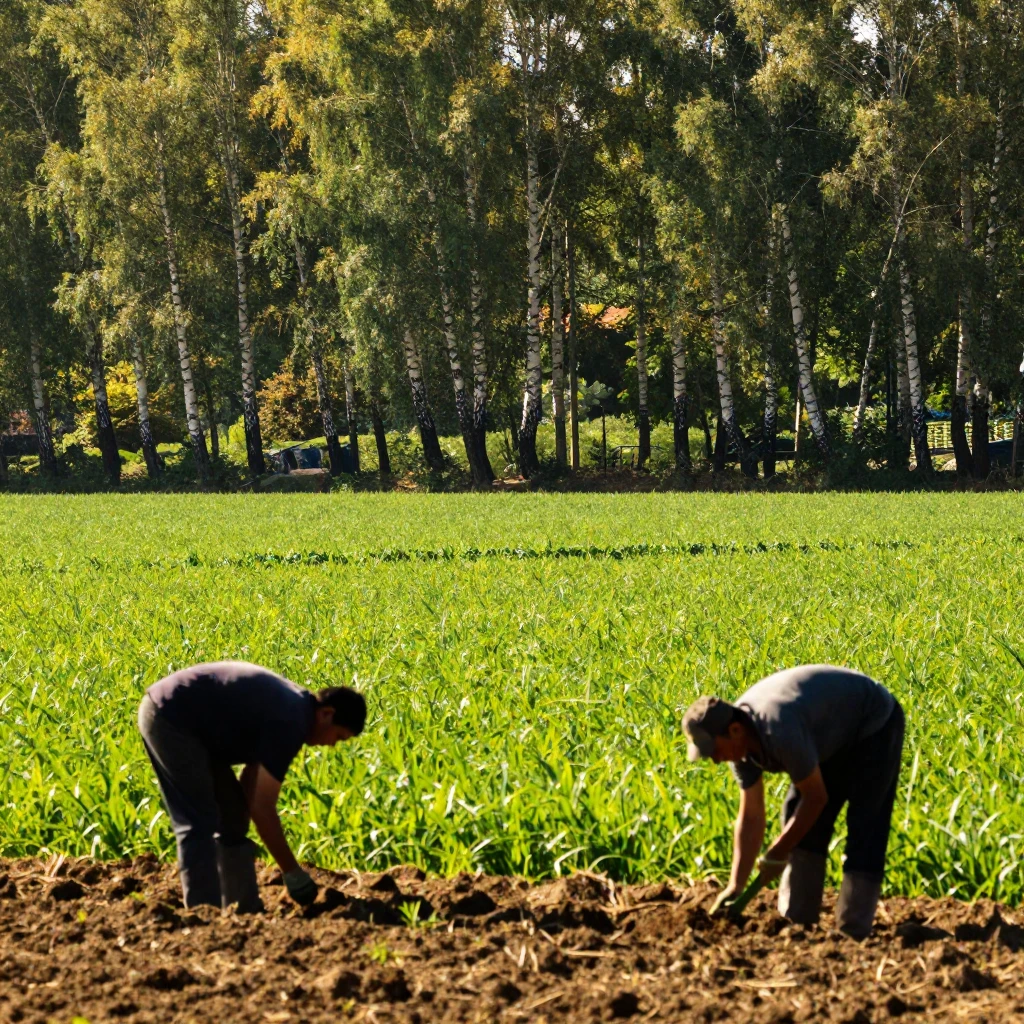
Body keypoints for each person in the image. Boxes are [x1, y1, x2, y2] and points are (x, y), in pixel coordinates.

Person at [682, 664, 904, 938]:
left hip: (873, 724)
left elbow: (815, 798)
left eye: (714, 750)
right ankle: (797, 923)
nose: (716, 759)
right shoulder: (739, 747)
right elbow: (751, 816)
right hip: (828, 732)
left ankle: (852, 932)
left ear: (735, 730)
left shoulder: (779, 729)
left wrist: (777, 851)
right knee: (797, 821)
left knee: (866, 827)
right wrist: (735, 886)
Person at [137, 661, 366, 912]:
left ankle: (243, 909)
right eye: (338, 737)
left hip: (194, 728)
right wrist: (291, 871)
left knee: (233, 815)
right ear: (326, 714)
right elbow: (263, 808)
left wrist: (243, 811)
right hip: (171, 716)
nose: (332, 745)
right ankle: (203, 914)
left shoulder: (294, 711)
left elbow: (252, 784)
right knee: (199, 820)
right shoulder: (291, 721)